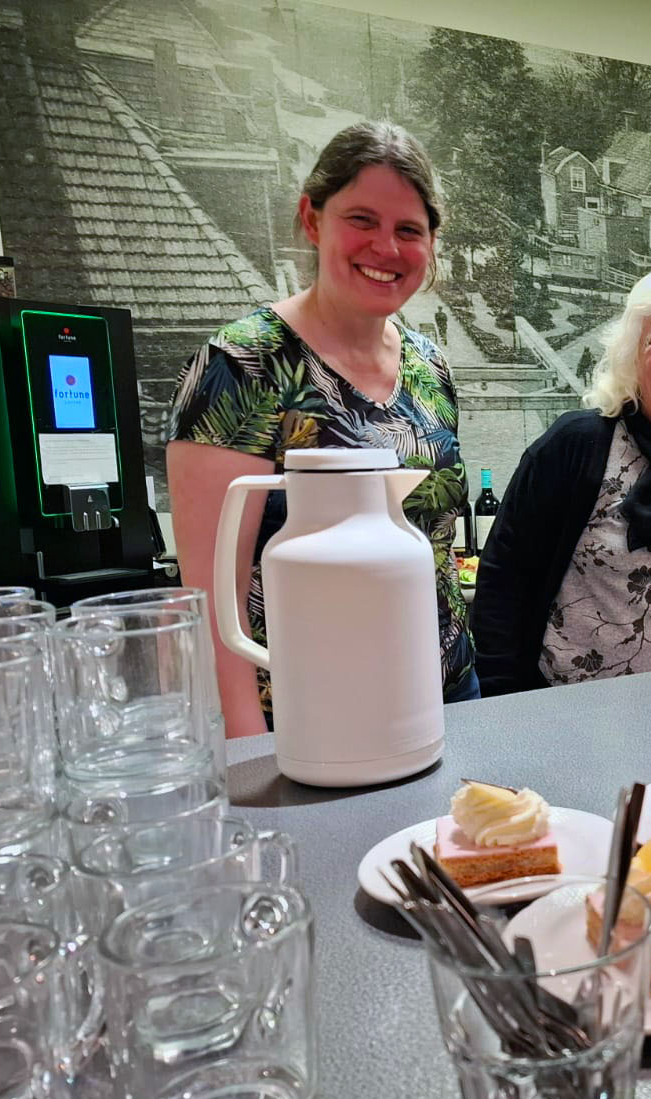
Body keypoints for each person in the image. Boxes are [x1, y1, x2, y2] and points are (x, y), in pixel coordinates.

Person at [167, 122, 474, 738]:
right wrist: (247, 751)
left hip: (447, 694)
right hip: (313, 717)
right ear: (312, 219)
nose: (385, 248)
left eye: (408, 230)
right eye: (362, 219)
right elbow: (209, 600)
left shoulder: (429, 363)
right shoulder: (245, 364)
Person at [469, 267, 651, 696]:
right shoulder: (574, 445)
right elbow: (503, 582)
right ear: (632, 357)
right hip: (573, 715)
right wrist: (507, 710)